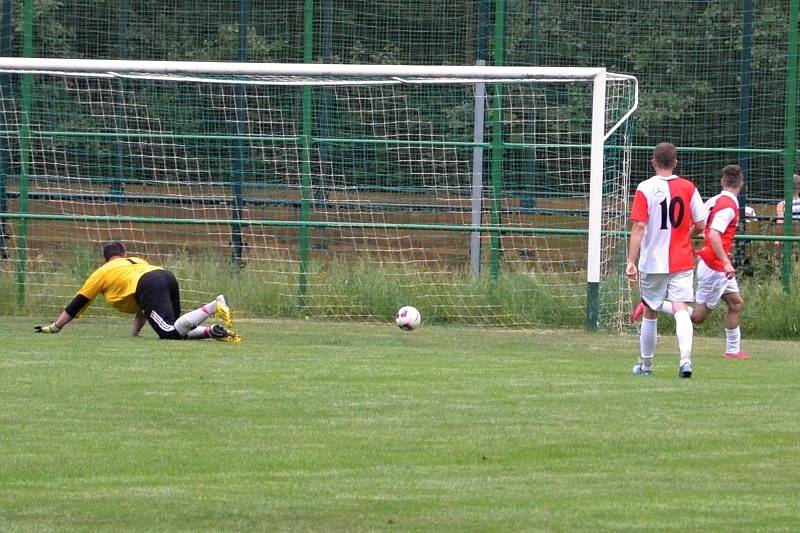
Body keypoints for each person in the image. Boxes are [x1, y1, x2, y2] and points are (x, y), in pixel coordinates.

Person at [632, 165, 750, 359]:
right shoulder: (728, 206)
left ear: (722, 181)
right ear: (741, 184)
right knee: (697, 317)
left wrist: (683, 238)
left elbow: (698, 224)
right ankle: (654, 303)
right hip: (716, 265)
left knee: (736, 303)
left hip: (717, 262)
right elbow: (712, 234)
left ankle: (733, 351)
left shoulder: (715, 200)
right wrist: (725, 262)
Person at [33, 241, 240, 341]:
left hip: (149, 283)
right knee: (177, 329)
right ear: (124, 254)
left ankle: (215, 304)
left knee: (168, 333)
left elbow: (76, 303)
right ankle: (211, 331)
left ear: (105, 259)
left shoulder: (102, 271)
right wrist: (135, 333)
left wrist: (55, 327)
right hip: (165, 275)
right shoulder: (136, 261)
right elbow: (143, 307)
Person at [626, 142, 706, 378]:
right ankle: (685, 360)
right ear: (675, 162)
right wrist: (685, 235)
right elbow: (701, 224)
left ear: (653, 162)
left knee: (650, 311)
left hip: (652, 261)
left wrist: (631, 260)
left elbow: (640, 225)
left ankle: (646, 366)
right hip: (681, 259)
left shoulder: (645, 188)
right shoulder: (689, 187)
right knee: (681, 308)